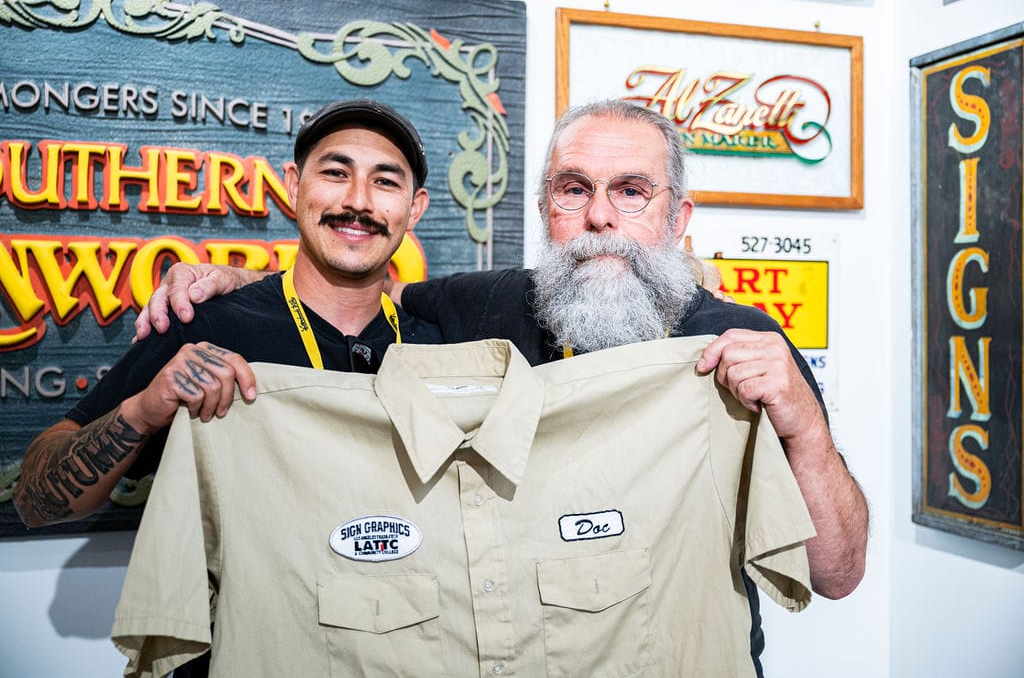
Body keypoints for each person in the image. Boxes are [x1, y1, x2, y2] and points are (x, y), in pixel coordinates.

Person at [135, 99, 868, 673]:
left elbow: (837, 573)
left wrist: (804, 426)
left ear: (679, 216)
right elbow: (350, 286)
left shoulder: (740, 343)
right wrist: (236, 286)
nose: (600, 216)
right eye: (573, 189)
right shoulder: (479, 307)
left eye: (633, 191)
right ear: (547, 209)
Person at [13, 98, 442, 526]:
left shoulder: (439, 347)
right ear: (294, 185)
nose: (358, 201)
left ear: (414, 207)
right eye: (335, 172)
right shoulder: (207, 325)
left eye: (385, 182)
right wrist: (145, 409)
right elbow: (34, 503)